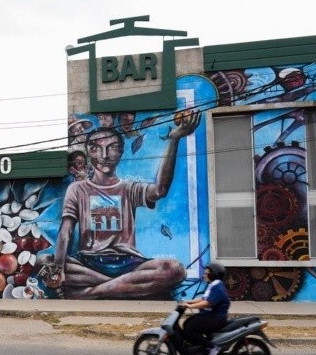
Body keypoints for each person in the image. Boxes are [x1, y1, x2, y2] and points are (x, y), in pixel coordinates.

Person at [48, 110, 202, 299]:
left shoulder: (129, 189)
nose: (104, 155)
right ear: (88, 152)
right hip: (88, 262)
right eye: (96, 148)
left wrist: (174, 140)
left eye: (112, 147)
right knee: (46, 260)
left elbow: (160, 190)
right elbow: (66, 231)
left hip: (129, 263)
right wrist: (58, 267)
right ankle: (121, 285)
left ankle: (91, 292)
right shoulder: (77, 189)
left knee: (175, 269)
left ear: (121, 152)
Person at [181, 261, 231, 355]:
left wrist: (190, 307)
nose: (204, 274)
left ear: (214, 274)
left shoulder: (217, 287)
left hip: (216, 318)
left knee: (189, 329)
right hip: (211, 316)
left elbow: (208, 303)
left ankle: (212, 347)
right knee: (187, 323)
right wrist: (189, 302)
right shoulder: (214, 285)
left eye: (207, 273)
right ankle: (200, 347)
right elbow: (204, 298)